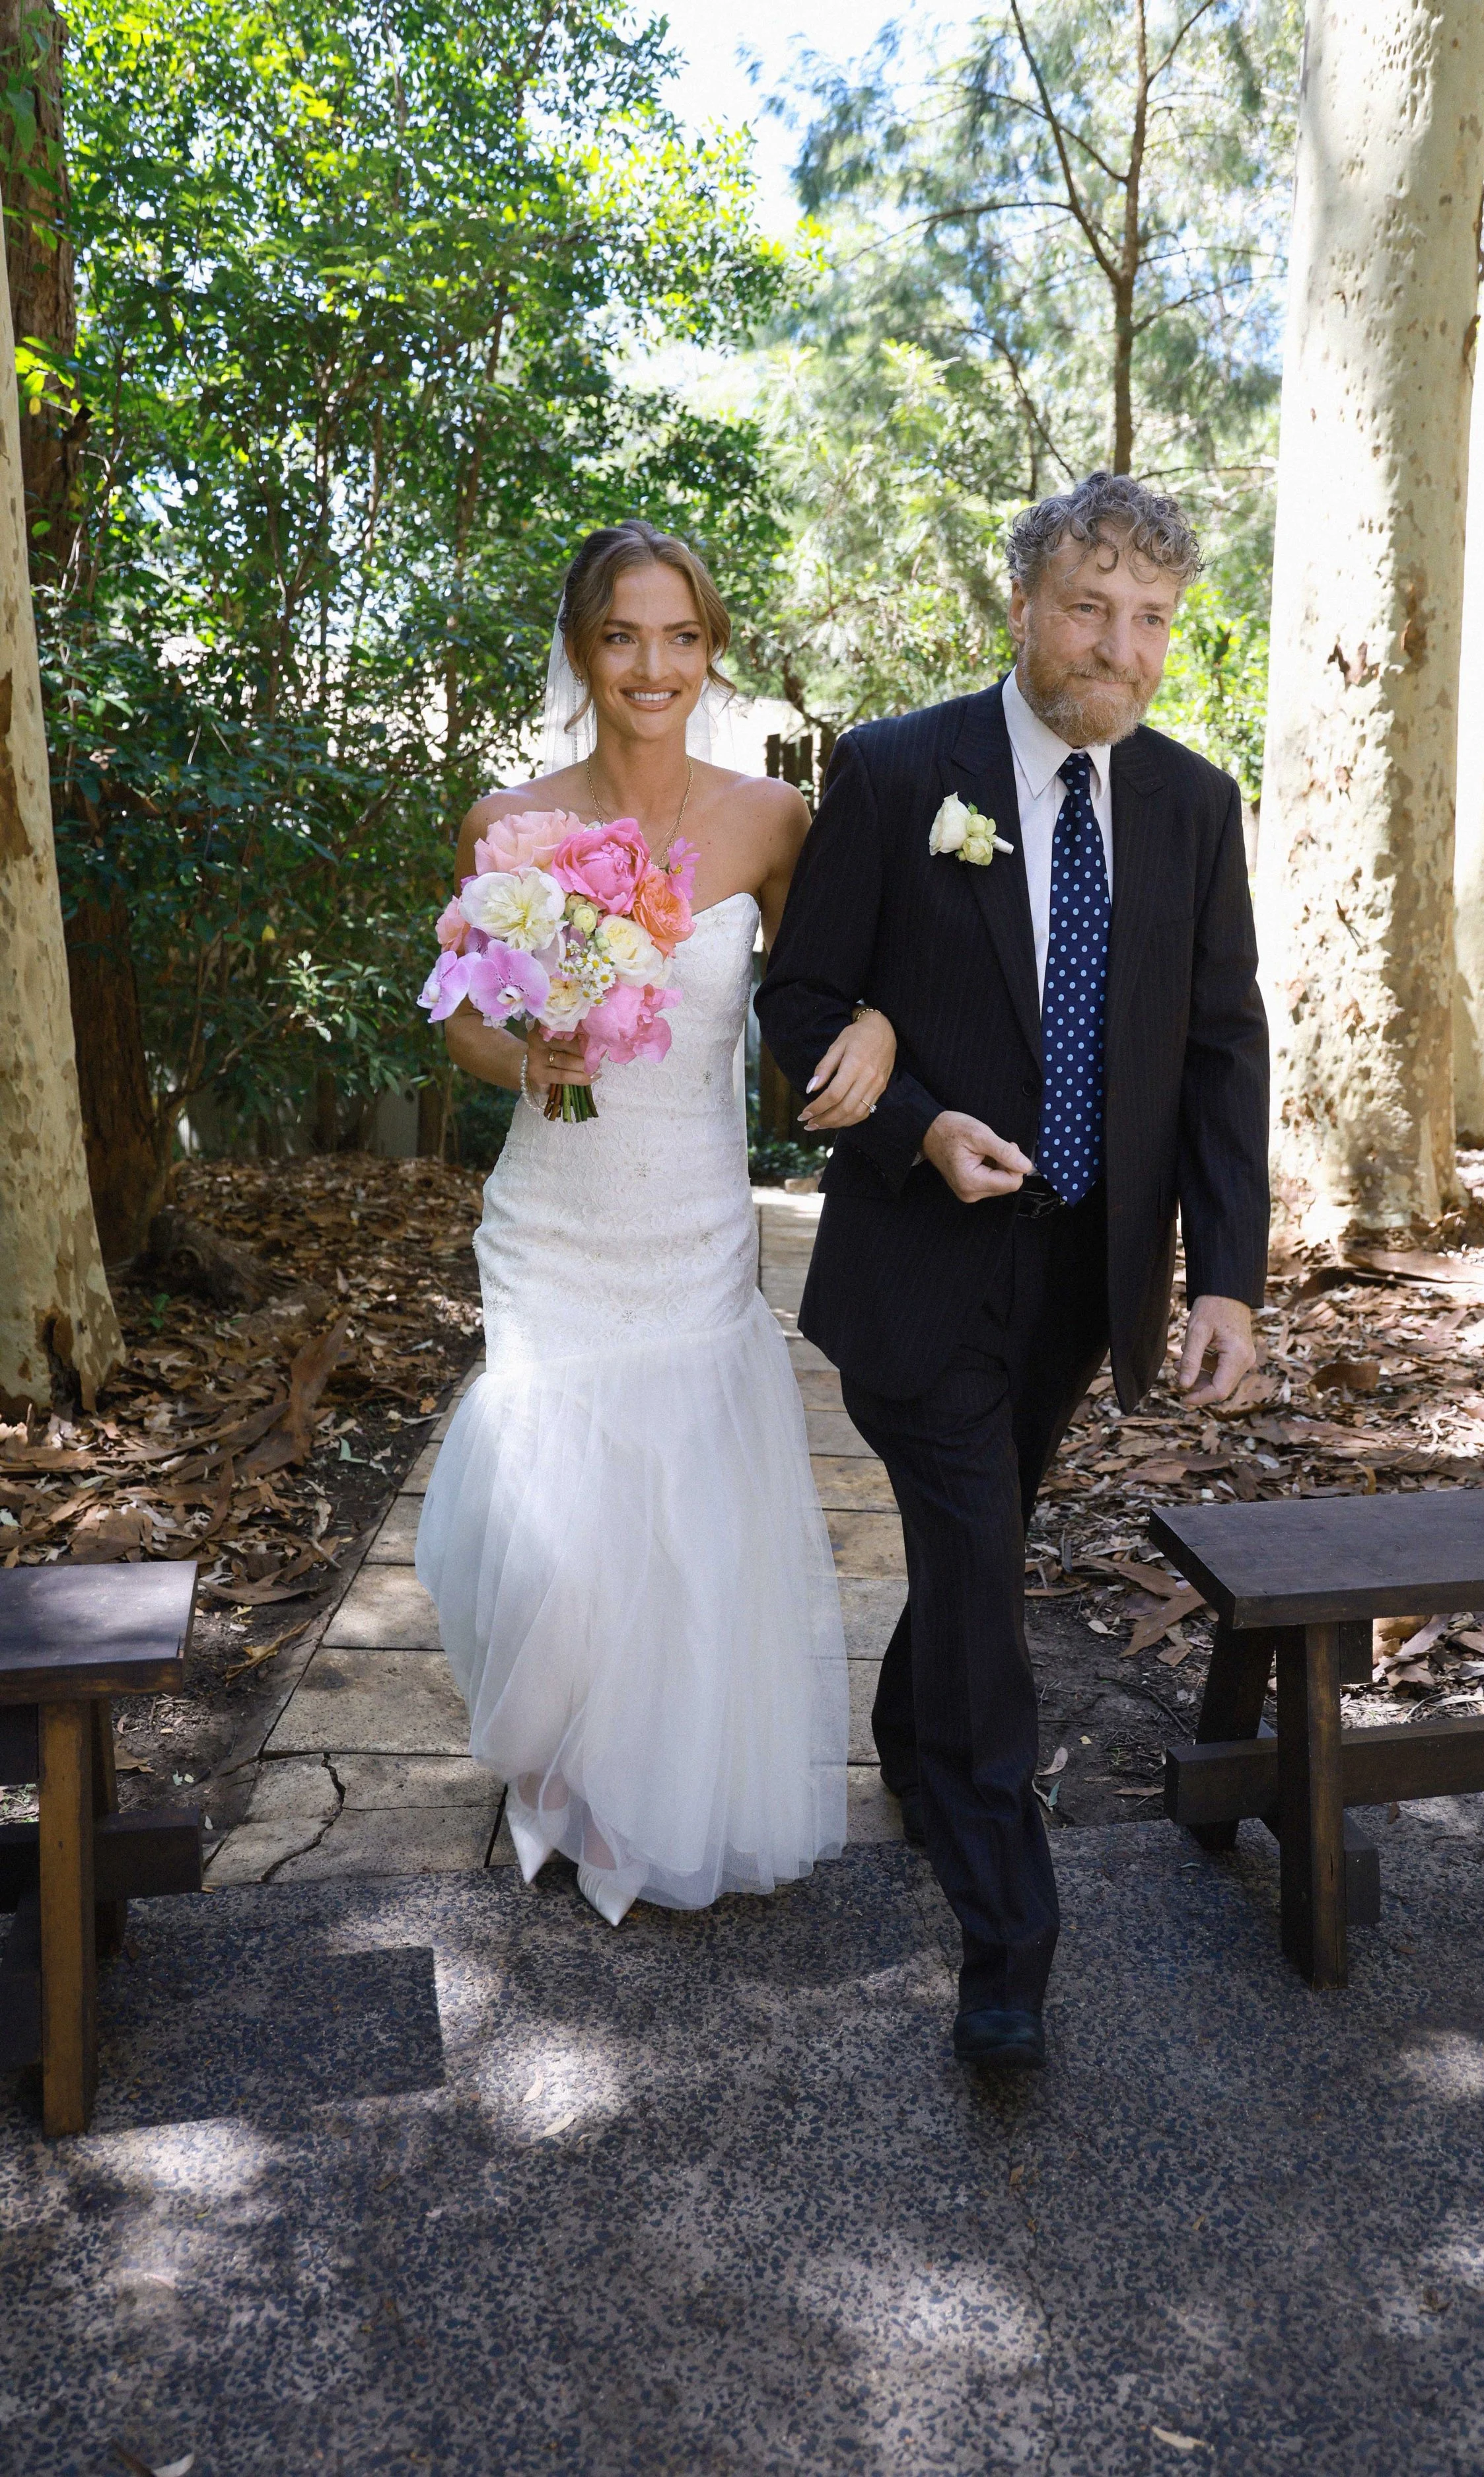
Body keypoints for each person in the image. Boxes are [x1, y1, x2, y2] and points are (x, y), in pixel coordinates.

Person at [756, 472, 1270, 2071]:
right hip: (922, 1261)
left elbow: (1217, 1049)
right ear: (1023, 605)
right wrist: (914, 1126)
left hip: (1083, 1280)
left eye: (1152, 621)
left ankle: (912, 1734)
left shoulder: (1191, 802)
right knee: (985, 1579)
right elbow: (798, 1005)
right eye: (1088, 608)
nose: (1119, 647)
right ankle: (1005, 1943)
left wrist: (1224, 1280)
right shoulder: (900, 769)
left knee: (981, 1542)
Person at [417, 520, 897, 1925]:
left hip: (692, 1221)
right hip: (551, 1220)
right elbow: (463, 1030)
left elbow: (815, 992)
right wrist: (532, 1058)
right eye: (622, 635)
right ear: (581, 649)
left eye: (680, 636)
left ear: (711, 651)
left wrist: (872, 1021)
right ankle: (559, 1759)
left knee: (681, 1523)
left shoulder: (769, 820)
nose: (652, 665)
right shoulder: (510, 823)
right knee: (557, 1526)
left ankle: (654, 1782)